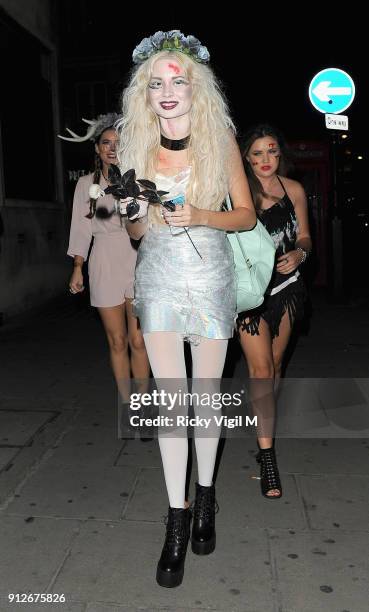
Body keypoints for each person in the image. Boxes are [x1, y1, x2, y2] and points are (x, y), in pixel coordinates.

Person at [116, 30, 256, 587]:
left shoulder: (219, 142)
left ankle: (207, 496)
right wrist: (131, 210)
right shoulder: (134, 149)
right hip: (159, 281)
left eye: (178, 81)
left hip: (209, 278)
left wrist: (200, 213)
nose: (167, 91)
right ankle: (176, 519)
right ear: (144, 96)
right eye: (157, 84)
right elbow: (133, 231)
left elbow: (244, 215)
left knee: (205, 400)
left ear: (195, 89)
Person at [237, 124, 312, 499]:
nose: (266, 160)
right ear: (246, 157)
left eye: (272, 152)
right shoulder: (236, 192)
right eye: (257, 153)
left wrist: (300, 253)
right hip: (250, 295)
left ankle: (264, 424)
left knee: (276, 365)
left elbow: (305, 237)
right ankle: (268, 457)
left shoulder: (293, 190)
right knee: (261, 369)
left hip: (286, 290)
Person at [62, 114, 150, 427]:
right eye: (106, 143)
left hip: (137, 258)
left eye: (118, 143)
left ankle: (142, 405)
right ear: (98, 149)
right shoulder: (86, 185)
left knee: (139, 340)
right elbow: (81, 228)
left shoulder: (139, 181)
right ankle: (127, 406)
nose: (113, 148)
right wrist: (77, 267)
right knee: (116, 341)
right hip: (102, 262)